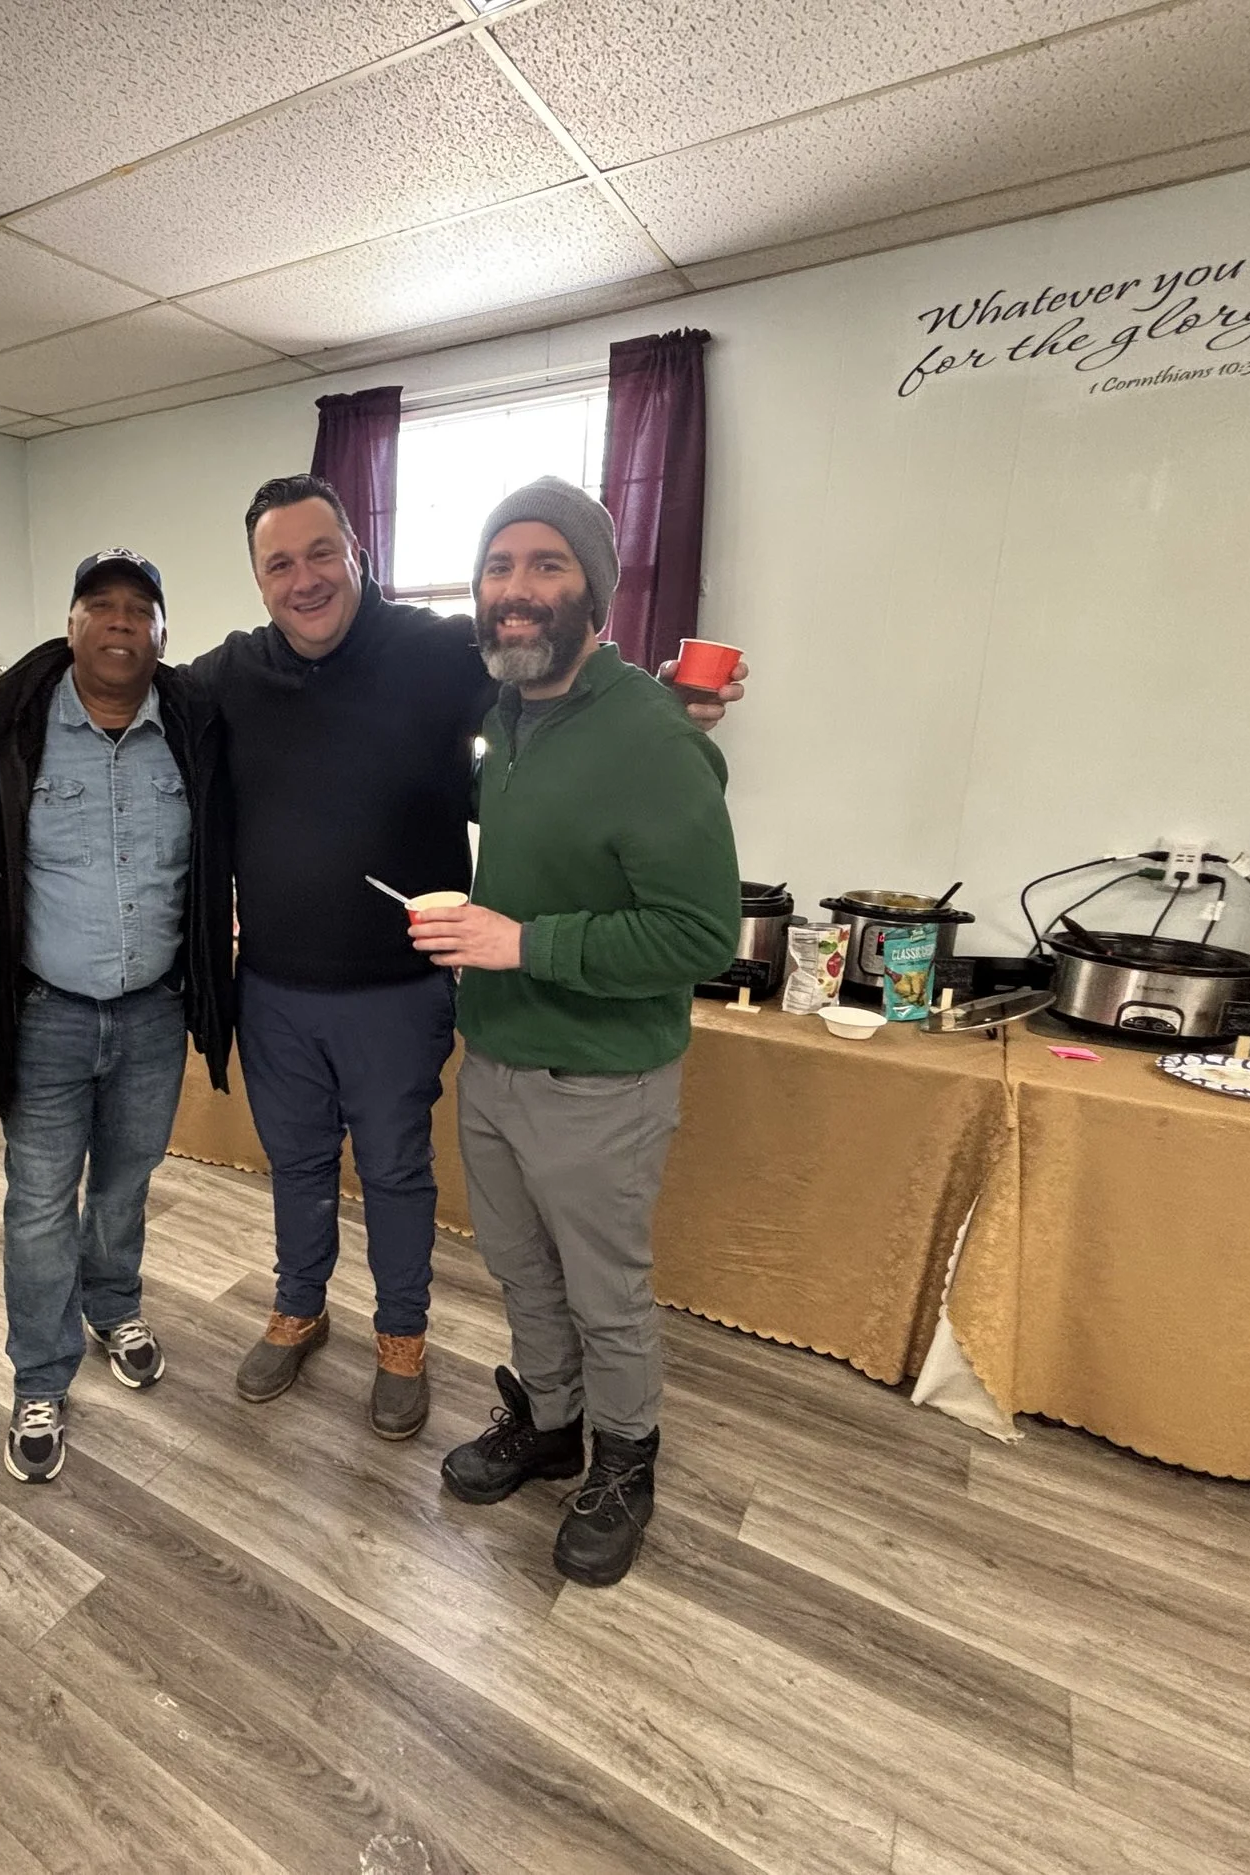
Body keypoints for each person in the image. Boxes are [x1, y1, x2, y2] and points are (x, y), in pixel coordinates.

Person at [189, 473, 744, 1440]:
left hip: (402, 989)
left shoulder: (441, 651)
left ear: (358, 552)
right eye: (279, 562)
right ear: (256, 578)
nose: (304, 577)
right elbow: (117, 695)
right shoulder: (228, 675)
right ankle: (299, 1305)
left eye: (323, 551)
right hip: (272, 985)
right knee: (297, 1166)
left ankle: (402, 1335)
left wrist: (667, 700)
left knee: (399, 1173)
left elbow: (565, 677)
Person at [416, 479, 739, 1588]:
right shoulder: (508, 719)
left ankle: (625, 1462)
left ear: (592, 590)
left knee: (606, 1295)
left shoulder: (652, 736)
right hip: (495, 1066)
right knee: (518, 1274)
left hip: (599, 1082)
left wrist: (525, 946)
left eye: (546, 566)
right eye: (498, 568)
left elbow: (699, 935)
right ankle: (551, 1427)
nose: (516, 590)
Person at [0, 549, 235, 1484]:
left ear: (163, 634)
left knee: (124, 1182)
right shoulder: (1, 728)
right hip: (46, 1016)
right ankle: (40, 1374)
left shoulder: (194, 727)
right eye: (99, 605)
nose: (120, 622)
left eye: (139, 610)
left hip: (154, 1012)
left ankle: (112, 1305)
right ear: (70, 624)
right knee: (37, 1205)